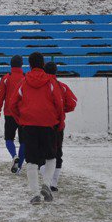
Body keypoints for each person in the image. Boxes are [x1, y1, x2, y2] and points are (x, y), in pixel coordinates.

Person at [9, 52, 64, 204]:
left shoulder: (23, 82)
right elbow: (59, 103)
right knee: (51, 157)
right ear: (43, 64)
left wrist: (21, 119)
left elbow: (12, 104)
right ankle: (46, 184)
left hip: (29, 125)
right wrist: (60, 121)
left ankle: (35, 193)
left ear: (30, 65)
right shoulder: (51, 82)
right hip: (48, 124)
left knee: (31, 160)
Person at [41, 62, 78, 192]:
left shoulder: (41, 87)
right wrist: (61, 111)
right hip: (57, 124)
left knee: (41, 153)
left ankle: (46, 180)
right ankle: (53, 183)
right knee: (57, 152)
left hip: (41, 123)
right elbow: (72, 103)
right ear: (56, 72)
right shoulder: (62, 87)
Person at [0, 55, 26, 173]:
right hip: (23, 115)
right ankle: (19, 167)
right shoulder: (26, 78)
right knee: (24, 141)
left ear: (11, 65)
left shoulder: (6, 78)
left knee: (9, 138)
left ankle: (14, 156)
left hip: (9, 113)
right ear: (22, 65)